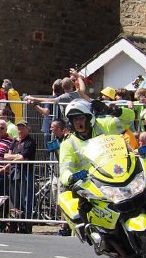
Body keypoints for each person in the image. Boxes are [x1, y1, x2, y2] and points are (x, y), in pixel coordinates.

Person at [57, 99, 136, 231]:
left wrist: (112, 110)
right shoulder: (68, 143)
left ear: (89, 118)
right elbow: (65, 169)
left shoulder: (103, 125)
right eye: (74, 119)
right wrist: (71, 177)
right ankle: (93, 232)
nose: (78, 122)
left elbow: (129, 119)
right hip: (91, 185)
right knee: (84, 214)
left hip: (115, 176)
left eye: (81, 118)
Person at [4, 120, 37, 233]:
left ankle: (26, 226)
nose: (20, 130)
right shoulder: (14, 142)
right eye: (19, 128)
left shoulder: (30, 142)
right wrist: (15, 156)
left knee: (26, 200)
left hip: (26, 173)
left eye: (23, 128)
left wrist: (13, 156)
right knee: (15, 200)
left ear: (28, 129)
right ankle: (15, 223)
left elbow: (23, 157)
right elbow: (5, 155)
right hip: (14, 173)